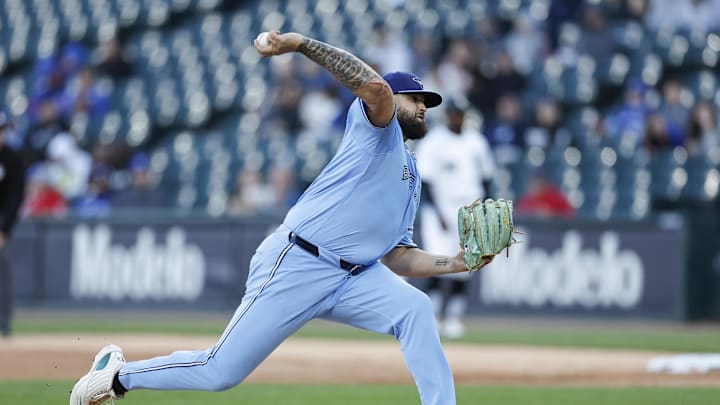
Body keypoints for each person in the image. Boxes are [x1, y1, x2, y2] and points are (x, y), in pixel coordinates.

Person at [70, 30, 480, 405]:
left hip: (356, 276)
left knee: (415, 309)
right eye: (415, 98)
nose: (424, 106)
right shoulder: (378, 128)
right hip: (300, 261)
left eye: (426, 101)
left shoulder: (412, 177)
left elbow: (399, 256)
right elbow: (372, 86)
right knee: (220, 371)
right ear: (392, 98)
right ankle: (119, 376)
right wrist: (301, 44)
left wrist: (457, 263)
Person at [415, 99, 496, 339]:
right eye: (453, 113)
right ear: (447, 115)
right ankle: (433, 314)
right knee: (437, 261)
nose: (456, 118)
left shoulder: (476, 141)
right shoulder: (434, 141)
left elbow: (487, 179)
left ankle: (453, 316)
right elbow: (426, 182)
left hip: (469, 208)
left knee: (464, 264)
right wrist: (438, 213)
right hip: (441, 208)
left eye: (460, 113)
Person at [0, 112, 26, 337]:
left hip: (1, 222)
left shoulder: (12, 159)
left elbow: (15, 198)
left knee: (3, 270)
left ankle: (3, 321)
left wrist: (4, 229)